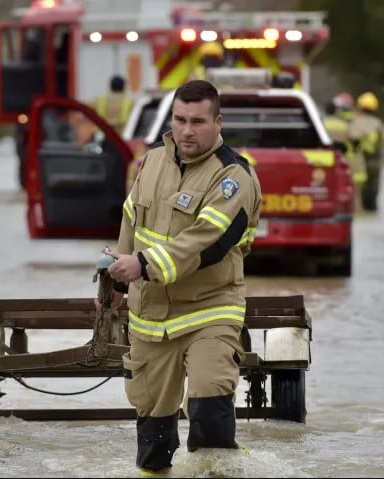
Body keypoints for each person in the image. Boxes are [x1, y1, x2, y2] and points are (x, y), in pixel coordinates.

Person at [98, 79, 262, 475]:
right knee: (153, 442)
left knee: (209, 411)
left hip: (210, 311)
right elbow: (130, 217)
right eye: (180, 119)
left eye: (198, 121)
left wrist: (144, 265)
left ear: (218, 122)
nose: (187, 130)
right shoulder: (152, 161)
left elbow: (205, 242)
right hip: (150, 317)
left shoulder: (234, 178)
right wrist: (118, 282)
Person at [348, 91, 384, 212]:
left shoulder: (355, 122)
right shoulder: (378, 123)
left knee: (359, 189)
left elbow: (350, 138)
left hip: (359, 160)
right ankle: (372, 208)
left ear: (360, 107)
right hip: (375, 160)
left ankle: (361, 208)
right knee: (373, 188)